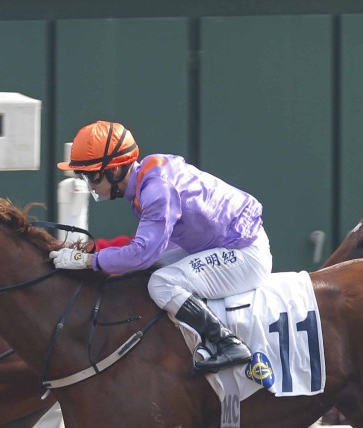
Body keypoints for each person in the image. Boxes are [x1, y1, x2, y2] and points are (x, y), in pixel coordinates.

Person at [49, 120, 271, 374]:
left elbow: (141, 253)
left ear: (115, 170)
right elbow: (152, 252)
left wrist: (88, 260)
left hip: (244, 254)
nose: (90, 185)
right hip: (221, 245)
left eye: (93, 176)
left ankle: (228, 343)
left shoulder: (156, 190)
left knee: (160, 283)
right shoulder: (147, 175)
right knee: (149, 272)